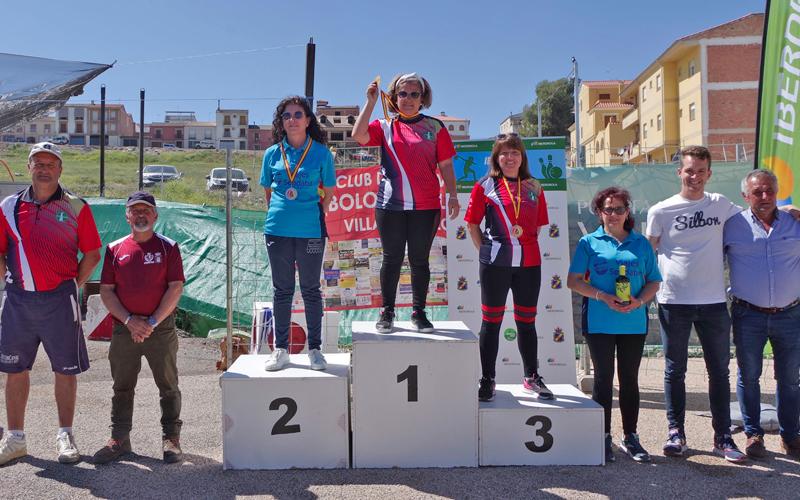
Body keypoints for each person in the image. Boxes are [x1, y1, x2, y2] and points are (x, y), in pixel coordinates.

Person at [0, 142, 102, 465]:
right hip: (18, 301)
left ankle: (65, 435)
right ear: (29, 167)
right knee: (15, 370)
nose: (44, 169)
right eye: (38, 163)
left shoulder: (77, 207)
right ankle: (15, 439)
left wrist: (72, 285)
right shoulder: (8, 208)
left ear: (60, 169)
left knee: (65, 370)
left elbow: (92, 254)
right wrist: (10, 281)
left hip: (61, 300)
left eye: (50, 164)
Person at [646, 145, 747, 462]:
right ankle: (676, 433)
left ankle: (723, 438)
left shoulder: (721, 204)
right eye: (689, 170)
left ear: (709, 173)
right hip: (673, 302)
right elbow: (648, 256)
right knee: (675, 371)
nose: (695, 177)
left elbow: (754, 219)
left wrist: (786, 210)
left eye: (701, 171)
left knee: (719, 372)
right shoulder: (660, 211)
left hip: (714, 303)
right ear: (679, 172)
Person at [352, 73, 459, 333]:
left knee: (420, 260)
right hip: (391, 206)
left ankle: (418, 312)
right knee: (392, 258)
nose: (408, 99)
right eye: (403, 94)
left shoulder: (436, 128)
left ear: (423, 98)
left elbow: (445, 165)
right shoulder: (385, 125)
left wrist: (453, 195)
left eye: (414, 94)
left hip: (426, 206)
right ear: (394, 97)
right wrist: (370, 101)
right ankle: (387, 311)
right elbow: (358, 135)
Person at [567, 187, 661, 463]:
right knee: (603, 380)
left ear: (627, 212)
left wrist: (640, 301)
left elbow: (654, 280)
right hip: (599, 322)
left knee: (629, 380)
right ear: (599, 212)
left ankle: (630, 436)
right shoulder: (588, 242)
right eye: (608, 209)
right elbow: (574, 281)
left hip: (633, 321)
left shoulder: (641, 243)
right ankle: (602, 436)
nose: (614, 214)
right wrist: (603, 296)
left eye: (619, 209)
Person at [92, 191, 186, 464]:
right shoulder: (115, 248)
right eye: (135, 210)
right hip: (125, 329)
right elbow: (107, 291)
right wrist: (130, 321)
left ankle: (171, 438)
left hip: (161, 328)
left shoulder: (169, 247)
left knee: (168, 385)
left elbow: (175, 287)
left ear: (155, 215)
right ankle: (119, 439)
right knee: (122, 386)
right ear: (127, 216)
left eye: (146, 210)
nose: (141, 215)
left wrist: (152, 322)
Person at [464, 133, 553, 402]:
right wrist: (488, 253)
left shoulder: (534, 187)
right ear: (496, 158)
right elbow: (472, 225)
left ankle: (531, 376)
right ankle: (488, 378)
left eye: (514, 152)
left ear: (522, 157)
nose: (510, 157)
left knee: (527, 322)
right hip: (495, 265)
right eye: (504, 153)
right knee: (491, 323)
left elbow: (537, 226)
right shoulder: (485, 186)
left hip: (529, 264)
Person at [723, 169, 800, 460]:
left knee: (790, 379)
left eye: (769, 190)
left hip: (791, 314)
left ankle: (791, 436)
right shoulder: (732, 226)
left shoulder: (795, 223)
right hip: (748, 314)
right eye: (758, 192)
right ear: (745, 196)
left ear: (777, 192)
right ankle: (753, 434)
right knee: (749, 376)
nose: (765, 196)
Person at [261, 96, 335, 371]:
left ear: (307, 120)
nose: (292, 119)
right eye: (287, 116)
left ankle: (315, 349)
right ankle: (281, 350)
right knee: (282, 290)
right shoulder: (271, 154)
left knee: (311, 289)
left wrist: (312, 211)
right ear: (281, 122)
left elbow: (328, 191)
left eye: (297, 114)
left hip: (311, 231)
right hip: (277, 230)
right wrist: (282, 213)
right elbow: (269, 192)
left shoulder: (321, 153)